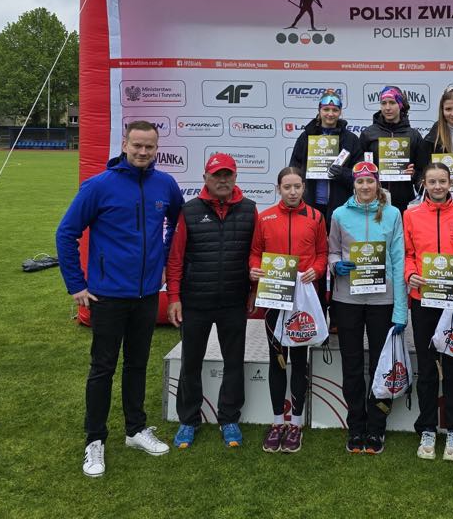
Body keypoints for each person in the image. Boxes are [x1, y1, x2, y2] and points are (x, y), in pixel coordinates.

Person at [56, 120, 184, 478]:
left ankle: (135, 430)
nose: (143, 152)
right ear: (125, 144)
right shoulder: (99, 186)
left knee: (138, 364)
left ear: (156, 149)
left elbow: (178, 224)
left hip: (146, 294)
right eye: (137, 145)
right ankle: (95, 439)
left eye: (149, 147)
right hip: (107, 295)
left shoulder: (165, 184)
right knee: (103, 368)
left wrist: (163, 258)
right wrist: (76, 285)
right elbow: (66, 233)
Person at [166, 153, 259, 450]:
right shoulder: (189, 210)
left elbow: (255, 255)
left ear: (235, 177)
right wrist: (174, 297)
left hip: (233, 300)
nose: (222, 180)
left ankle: (229, 417)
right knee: (191, 362)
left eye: (227, 175)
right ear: (205, 178)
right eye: (217, 175)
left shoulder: (250, 209)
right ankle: (188, 419)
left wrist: (253, 291)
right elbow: (176, 258)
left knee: (234, 362)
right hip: (195, 301)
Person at [328, 160, 407, 455]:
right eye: (360, 181)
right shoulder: (339, 214)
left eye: (370, 181)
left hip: (382, 301)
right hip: (347, 299)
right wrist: (336, 265)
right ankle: (355, 426)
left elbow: (398, 260)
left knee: (379, 366)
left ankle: (376, 427)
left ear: (378, 184)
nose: (365, 186)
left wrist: (400, 310)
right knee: (351, 365)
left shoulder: (393, 213)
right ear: (353, 185)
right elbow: (332, 251)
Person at [249, 167, 328, 454]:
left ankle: (295, 423)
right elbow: (255, 253)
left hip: (303, 299)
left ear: (304, 187)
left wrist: (316, 269)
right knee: (277, 359)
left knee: (299, 359)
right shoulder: (265, 217)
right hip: (274, 297)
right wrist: (253, 269)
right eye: (287, 187)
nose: (292, 192)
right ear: (278, 188)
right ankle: (276, 422)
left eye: (297, 186)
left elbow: (322, 253)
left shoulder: (316, 217)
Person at [403, 161, 453, 462]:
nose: (437, 186)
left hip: (452, 301)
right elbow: (408, 254)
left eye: (442, 181)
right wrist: (410, 274)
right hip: (423, 299)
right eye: (432, 181)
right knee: (426, 367)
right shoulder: (411, 215)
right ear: (424, 183)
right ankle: (427, 427)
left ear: (450, 184)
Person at [288, 89, 362, 230]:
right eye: (326, 109)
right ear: (319, 110)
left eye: (335, 110)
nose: (330, 114)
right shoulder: (306, 137)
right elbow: (294, 168)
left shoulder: (350, 139)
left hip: (340, 206)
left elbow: (360, 173)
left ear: (340, 112)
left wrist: (343, 173)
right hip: (310, 204)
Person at [359, 85, 426, 213]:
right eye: (383, 103)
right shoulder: (368, 134)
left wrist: (414, 174)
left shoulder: (413, 135)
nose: (387, 107)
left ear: (400, 105)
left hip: (404, 200)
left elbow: (423, 170)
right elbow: (359, 167)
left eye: (392, 103)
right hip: (374, 199)